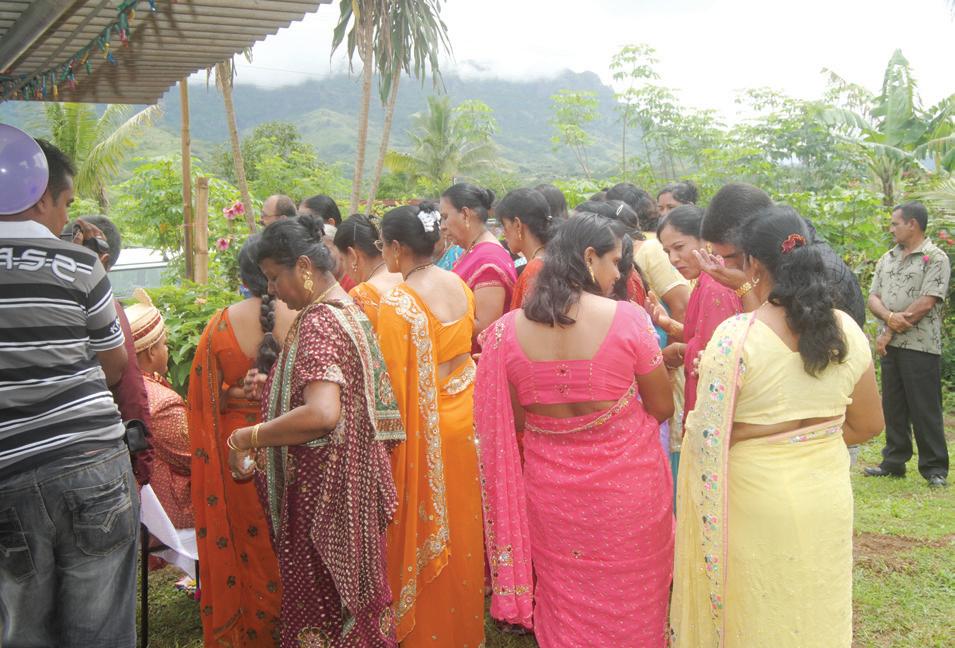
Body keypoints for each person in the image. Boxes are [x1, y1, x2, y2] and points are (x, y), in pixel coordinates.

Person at [670, 207, 884, 647]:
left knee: (758, 613)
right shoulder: (846, 330)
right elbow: (868, 424)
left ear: (752, 264)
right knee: (815, 606)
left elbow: (707, 438)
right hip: (826, 494)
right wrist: (808, 437)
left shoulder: (735, 338)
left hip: (756, 499)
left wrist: (764, 436)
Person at [475, 214, 675, 647]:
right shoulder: (629, 319)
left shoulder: (506, 333)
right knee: (636, 601)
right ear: (588, 257)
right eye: (614, 262)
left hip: (552, 497)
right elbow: (662, 406)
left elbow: (518, 420)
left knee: (564, 599)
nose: (617, 274)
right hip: (628, 494)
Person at [229, 215, 404, 647]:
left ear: (304, 267)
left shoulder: (319, 322)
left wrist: (247, 437)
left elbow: (323, 413)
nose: (271, 290)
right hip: (350, 490)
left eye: (275, 277)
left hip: (322, 501)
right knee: (357, 609)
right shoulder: (347, 309)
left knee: (322, 612)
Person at [0, 138, 138, 647]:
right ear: (40, 195)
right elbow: (116, 362)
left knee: (23, 629)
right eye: (65, 202)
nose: (65, 216)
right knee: (101, 629)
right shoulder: (78, 264)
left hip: (7, 473)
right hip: (89, 462)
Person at [374, 205, 486, 646]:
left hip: (428, 428)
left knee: (425, 523)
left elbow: (391, 393)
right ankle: (464, 631)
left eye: (382, 245)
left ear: (396, 247)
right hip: (465, 415)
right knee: (463, 523)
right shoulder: (458, 282)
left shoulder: (399, 303)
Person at [187, 237, 295, 646]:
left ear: (244, 276)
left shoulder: (221, 325)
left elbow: (203, 401)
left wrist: (234, 392)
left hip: (240, 454)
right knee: (292, 542)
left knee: (250, 544)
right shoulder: (302, 317)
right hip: (293, 441)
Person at [652, 206, 743, 478]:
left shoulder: (715, 285)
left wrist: (681, 350)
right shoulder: (708, 279)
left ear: (706, 240)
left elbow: (717, 357)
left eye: (679, 247)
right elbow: (706, 337)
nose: (673, 259)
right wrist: (670, 326)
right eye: (667, 251)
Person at [865, 201, 950, 488]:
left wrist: (889, 329)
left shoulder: (935, 258)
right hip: (889, 346)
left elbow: (928, 301)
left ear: (912, 224)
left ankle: (934, 468)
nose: (891, 229)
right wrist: (889, 319)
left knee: (924, 407)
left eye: (895, 224)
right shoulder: (887, 258)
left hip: (920, 345)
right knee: (894, 406)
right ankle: (894, 461)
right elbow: (873, 297)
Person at [697, 183, 867, 327]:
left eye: (733, 257)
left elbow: (776, 341)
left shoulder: (815, 271)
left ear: (757, 233)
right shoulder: (786, 256)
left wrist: (743, 287)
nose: (728, 266)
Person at [72, 214, 156, 486]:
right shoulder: (106, 307)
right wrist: (142, 467)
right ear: (105, 261)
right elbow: (129, 390)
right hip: (92, 458)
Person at [124, 290, 194, 529]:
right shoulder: (163, 403)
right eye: (164, 344)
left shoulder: (125, 387)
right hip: (173, 514)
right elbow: (195, 458)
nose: (167, 350)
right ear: (150, 351)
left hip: (139, 506)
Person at [440, 183, 516, 347]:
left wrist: (435, 318)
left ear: (465, 214)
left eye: (445, 217)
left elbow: (486, 327)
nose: (442, 226)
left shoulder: (489, 259)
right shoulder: (473, 250)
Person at [333, 213, 403, 330]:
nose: (344, 268)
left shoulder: (360, 295)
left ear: (352, 255)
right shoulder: (406, 275)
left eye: (342, 259)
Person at [499, 188, 554, 310]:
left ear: (517, 225)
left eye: (504, 226)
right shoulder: (551, 257)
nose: (503, 234)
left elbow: (530, 318)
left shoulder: (535, 268)